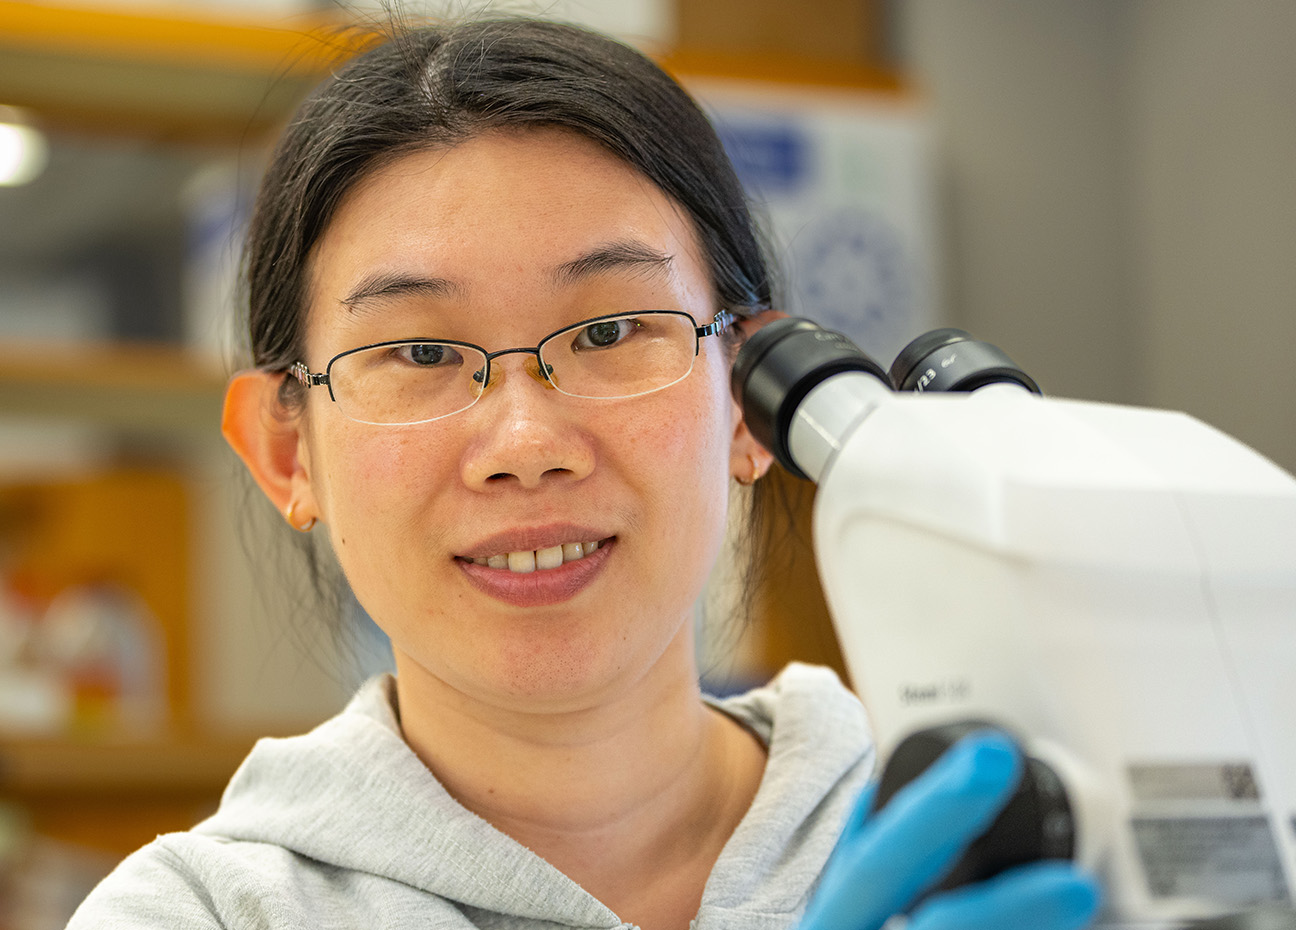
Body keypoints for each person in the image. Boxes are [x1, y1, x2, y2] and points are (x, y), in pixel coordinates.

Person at [68, 16, 1101, 930]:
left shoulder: (999, 835)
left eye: (610, 329)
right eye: (420, 354)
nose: (525, 442)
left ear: (752, 401)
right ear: (288, 451)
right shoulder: (201, 914)